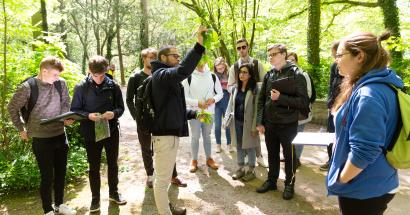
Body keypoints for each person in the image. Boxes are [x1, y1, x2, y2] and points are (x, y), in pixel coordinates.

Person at [326, 32, 402, 215]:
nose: (336, 60)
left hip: (363, 189)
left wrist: (342, 179)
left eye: (339, 55)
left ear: (359, 56)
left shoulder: (369, 95)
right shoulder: (379, 85)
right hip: (376, 180)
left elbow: (364, 150)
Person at [8, 56, 77, 215]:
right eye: (54, 75)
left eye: (58, 75)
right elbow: (12, 108)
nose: (57, 78)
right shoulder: (27, 87)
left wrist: (66, 118)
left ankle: (60, 204)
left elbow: (66, 102)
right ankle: (48, 209)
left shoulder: (61, 84)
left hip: (60, 134)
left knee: (61, 173)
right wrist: (21, 128)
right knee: (47, 176)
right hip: (41, 138)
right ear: (44, 71)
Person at [149, 26, 207, 215]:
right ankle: (165, 212)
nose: (178, 58)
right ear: (163, 58)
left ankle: (166, 208)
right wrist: (198, 45)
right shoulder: (161, 76)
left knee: (163, 178)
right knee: (162, 180)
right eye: (174, 55)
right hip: (164, 137)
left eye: (178, 55)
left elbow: (176, 109)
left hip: (169, 135)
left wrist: (195, 114)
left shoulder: (167, 79)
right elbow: (183, 71)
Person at [71, 55, 126, 213]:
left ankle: (114, 193)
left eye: (102, 75)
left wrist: (114, 113)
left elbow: (121, 108)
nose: (99, 79)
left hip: (111, 130)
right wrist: (88, 116)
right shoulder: (81, 87)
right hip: (91, 131)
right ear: (89, 71)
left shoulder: (113, 85)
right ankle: (95, 199)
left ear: (107, 70)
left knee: (113, 163)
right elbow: (75, 110)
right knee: (93, 166)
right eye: (96, 76)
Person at [126, 48, 187, 188]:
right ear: (143, 59)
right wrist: (137, 118)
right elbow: (129, 99)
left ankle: (173, 175)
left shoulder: (161, 75)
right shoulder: (135, 77)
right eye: (149, 57)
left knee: (167, 149)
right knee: (146, 149)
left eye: (154, 56)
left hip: (161, 120)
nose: (152, 59)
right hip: (145, 121)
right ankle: (150, 175)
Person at [256, 44, 309, 200]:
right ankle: (272, 181)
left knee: (289, 156)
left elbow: (303, 102)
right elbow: (261, 100)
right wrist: (260, 121)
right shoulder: (269, 75)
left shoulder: (296, 74)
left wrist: (281, 98)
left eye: (274, 54)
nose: (271, 57)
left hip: (288, 124)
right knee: (272, 154)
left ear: (284, 54)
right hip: (270, 123)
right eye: (269, 55)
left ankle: (289, 184)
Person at [228, 38, 267, 168]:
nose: (241, 50)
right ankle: (243, 162)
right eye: (238, 48)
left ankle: (259, 155)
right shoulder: (234, 67)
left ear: (248, 47)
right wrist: (239, 86)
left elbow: (266, 83)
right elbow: (229, 86)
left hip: (255, 102)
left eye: (243, 47)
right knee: (241, 136)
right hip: (240, 102)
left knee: (253, 132)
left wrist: (252, 86)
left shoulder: (257, 64)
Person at [182, 58, 223, 173]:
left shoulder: (212, 76)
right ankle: (194, 160)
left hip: (208, 112)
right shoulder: (189, 77)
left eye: (203, 60)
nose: (200, 63)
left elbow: (220, 93)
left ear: (206, 61)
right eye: (198, 60)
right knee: (195, 136)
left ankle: (209, 158)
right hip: (195, 113)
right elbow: (183, 97)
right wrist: (197, 103)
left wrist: (213, 99)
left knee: (207, 135)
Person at [226, 63, 260, 182]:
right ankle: (240, 168)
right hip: (237, 123)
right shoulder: (236, 88)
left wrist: (255, 126)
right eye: (240, 72)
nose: (242, 74)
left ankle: (251, 170)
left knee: (250, 147)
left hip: (249, 125)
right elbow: (231, 105)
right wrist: (226, 120)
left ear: (250, 75)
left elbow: (257, 109)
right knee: (239, 146)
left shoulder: (255, 89)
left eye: (245, 72)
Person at [286, 52, 313, 168]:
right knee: (289, 136)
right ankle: (290, 156)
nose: (291, 62)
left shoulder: (303, 74)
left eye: (293, 60)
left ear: (297, 61)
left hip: (300, 112)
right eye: (289, 60)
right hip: (288, 113)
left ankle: (296, 159)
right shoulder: (285, 75)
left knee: (298, 135)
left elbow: (308, 93)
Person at [321, 41, 344, 171]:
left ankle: (339, 162)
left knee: (341, 136)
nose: (336, 59)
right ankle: (330, 160)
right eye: (334, 55)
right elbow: (331, 86)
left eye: (338, 56)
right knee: (329, 134)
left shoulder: (350, 69)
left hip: (344, 107)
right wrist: (330, 103)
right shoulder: (334, 66)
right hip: (333, 107)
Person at [213, 57, 232, 153]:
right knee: (217, 125)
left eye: (222, 68)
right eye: (218, 68)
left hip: (226, 100)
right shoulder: (212, 76)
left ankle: (229, 144)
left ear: (225, 66)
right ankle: (218, 144)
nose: (220, 70)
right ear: (215, 67)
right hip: (216, 102)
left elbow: (232, 87)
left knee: (227, 123)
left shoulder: (229, 74)